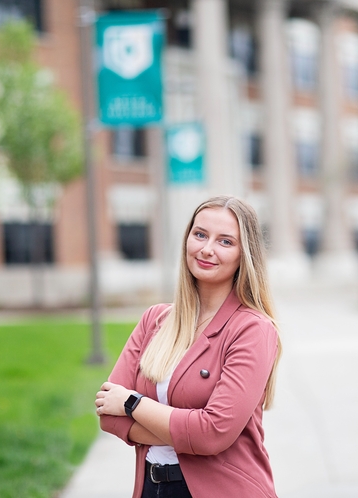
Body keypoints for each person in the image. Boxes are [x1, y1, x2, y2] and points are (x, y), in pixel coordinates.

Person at [95, 195, 281, 498]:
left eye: (225, 242)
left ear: (243, 256)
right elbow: (107, 414)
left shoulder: (252, 330)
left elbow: (212, 434)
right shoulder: (155, 320)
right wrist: (189, 430)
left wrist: (133, 404)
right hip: (151, 488)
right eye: (200, 235)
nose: (207, 249)